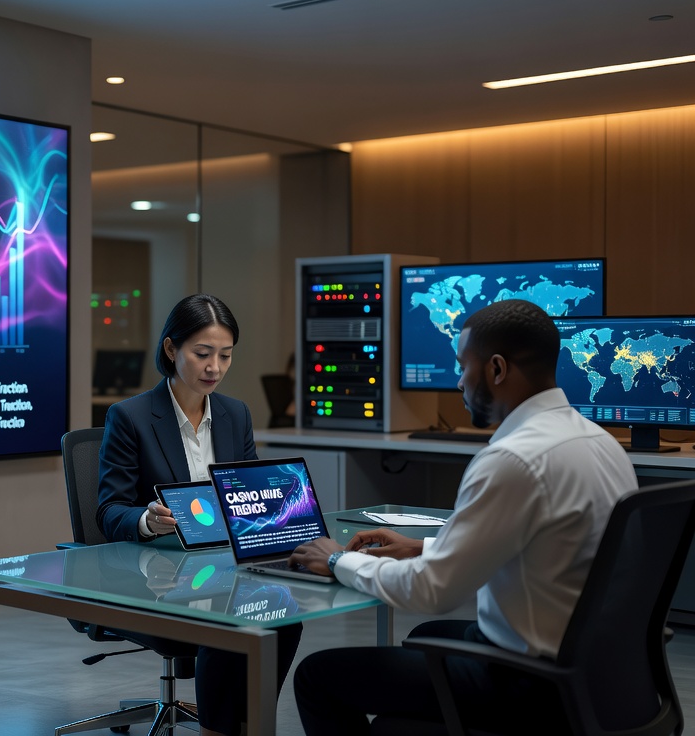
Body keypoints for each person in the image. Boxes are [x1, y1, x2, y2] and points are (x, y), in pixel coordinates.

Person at [286, 299, 638, 735]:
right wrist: (423, 547)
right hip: (598, 668)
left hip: (530, 686)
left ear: (495, 369)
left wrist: (340, 561)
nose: (458, 382)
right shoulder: (599, 442)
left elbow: (432, 590)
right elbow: (549, 548)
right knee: (429, 637)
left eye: (462, 366)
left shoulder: (512, 459)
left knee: (319, 677)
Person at [97, 293, 303, 736]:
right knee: (229, 620)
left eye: (225, 356)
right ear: (172, 350)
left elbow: (250, 498)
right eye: (202, 354)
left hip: (224, 567)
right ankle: (218, 730)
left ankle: (249, 724)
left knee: (284, 616)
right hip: (156, 573)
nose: (215, 367)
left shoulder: (235, 414)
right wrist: (146, 521)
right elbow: (109, 510)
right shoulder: (130, 417)